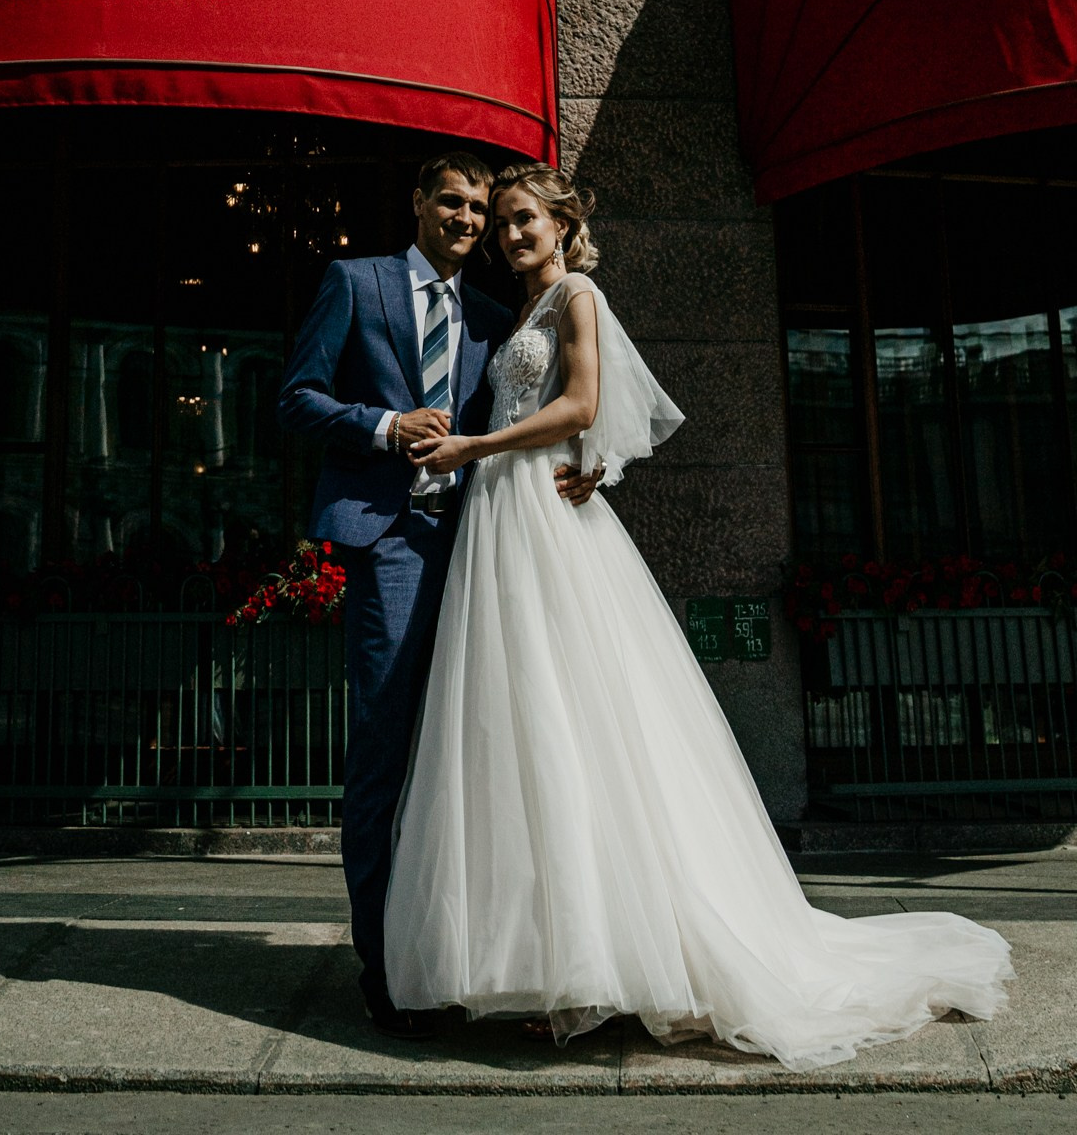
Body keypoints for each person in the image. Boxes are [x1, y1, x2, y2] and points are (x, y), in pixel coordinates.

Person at [383, 163, 1014, 1066]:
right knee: (521, 724)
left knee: (575, 718)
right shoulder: (521, 310)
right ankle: (544, 953)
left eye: (526, 218)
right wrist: (565, 460)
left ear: (562, 226)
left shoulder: (578, 297)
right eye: (503, 222)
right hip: (505, 514)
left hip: (530, 512)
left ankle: (597, 969)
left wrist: (481, 446)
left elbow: (584, 403)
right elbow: (575, 425)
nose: (510, 233)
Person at [276, 150, 601, 1036]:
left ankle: (464, 952)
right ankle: (386, 969)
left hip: (485, 549)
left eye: (483, 211)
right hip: (390, 546)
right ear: (419, 203)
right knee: (385, 748)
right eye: (454, 204)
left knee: (476, 752)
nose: (470, 221)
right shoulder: (356, 281)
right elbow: (296, 400)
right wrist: (381, 426)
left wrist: (589, 464)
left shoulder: (500, 316)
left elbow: (549, 407)